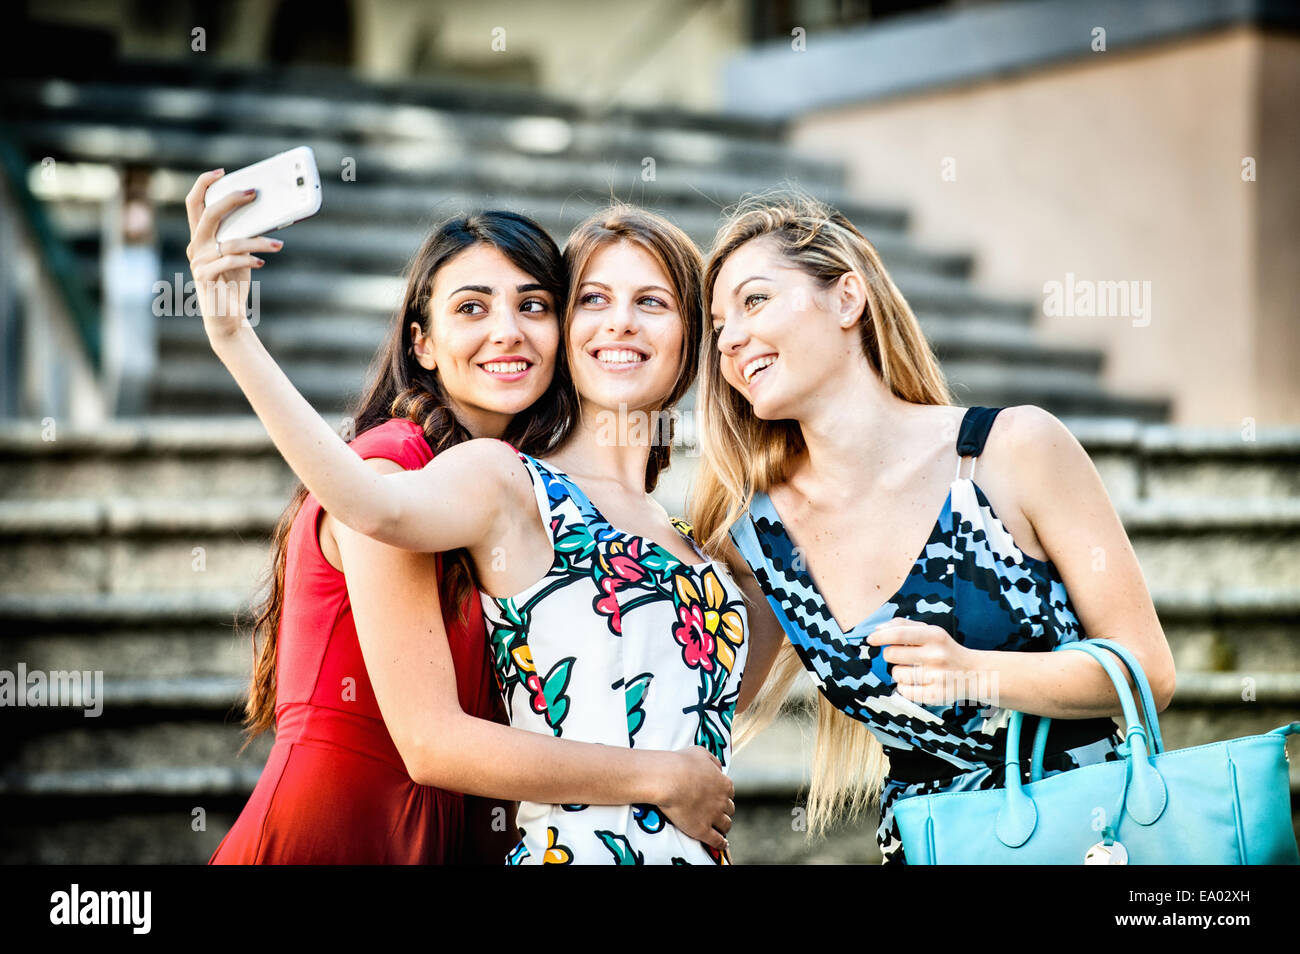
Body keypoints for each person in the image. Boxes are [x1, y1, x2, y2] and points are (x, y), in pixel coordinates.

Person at [191, 181, 747, 863]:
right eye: (472, 308)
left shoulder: (524, 489)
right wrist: (232, 336)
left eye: (533, 305)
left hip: (449, 836)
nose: (507, 331)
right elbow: (428, 738)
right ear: (421, 343)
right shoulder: (395, 462)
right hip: (337, 833)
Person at [689, 189, 1177, 864]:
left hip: (1093, 837)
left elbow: (1148, 670)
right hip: (930, 849)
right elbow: (703, 702)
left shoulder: (1013, 451)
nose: (732, 338)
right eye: (717, 327)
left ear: (847, 299)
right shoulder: (763, 541)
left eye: (755, 301)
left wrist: (977, 673)